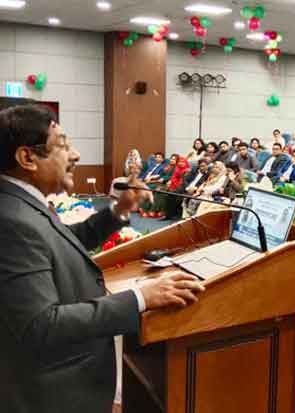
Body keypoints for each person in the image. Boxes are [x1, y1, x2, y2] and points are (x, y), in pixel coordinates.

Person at [0, 105, 204, 413]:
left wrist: (118, 211)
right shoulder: (12, 220)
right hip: (51, 396)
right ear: (27, 158)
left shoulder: (21, 204)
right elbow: (40, 326)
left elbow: (63, 242)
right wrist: (140, 297)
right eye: (63, 144)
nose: (76, 155)